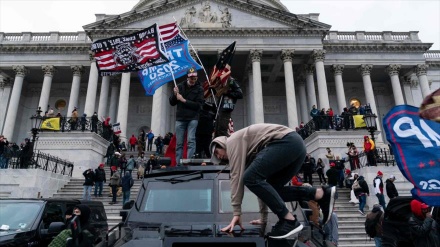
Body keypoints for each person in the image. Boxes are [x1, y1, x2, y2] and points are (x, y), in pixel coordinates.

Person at [210, 123, 336, 239]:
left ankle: (289, 220)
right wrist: (264, 218)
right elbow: (263, 188)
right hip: (296, 146)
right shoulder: (248, 151)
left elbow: (236, 178)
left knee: (249, 178)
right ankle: (320, 194)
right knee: (272, 189)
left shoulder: (232, 142)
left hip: (286, 142)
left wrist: (236, 213)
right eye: (217, 158)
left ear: (221, 144)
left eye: (217, 152)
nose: (219, 157)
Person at [169, 67, 204, 165]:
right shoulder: (180, 86)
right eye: (191, 77)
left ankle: (189, 162)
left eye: (194, 78)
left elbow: (199, 105)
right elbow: (172, 102)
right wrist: (174, 94)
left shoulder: (199, 89)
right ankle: (178, 163)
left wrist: (184, 100)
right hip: (181, 118)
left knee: (191, 140)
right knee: (179, 143)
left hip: (193, 118)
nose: (193, 80)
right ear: (187, 77)